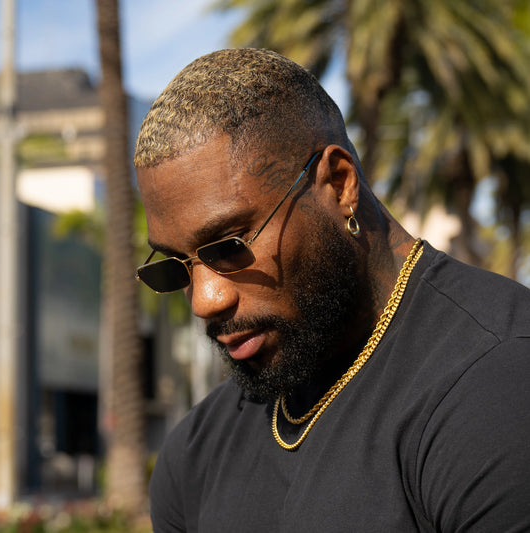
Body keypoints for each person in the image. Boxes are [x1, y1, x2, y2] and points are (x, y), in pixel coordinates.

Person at [133, 48, 530, 532]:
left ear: (339, 185)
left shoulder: (496, 386)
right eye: (176, 268)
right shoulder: (193, 457)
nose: (204, 300)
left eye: (229, 246)